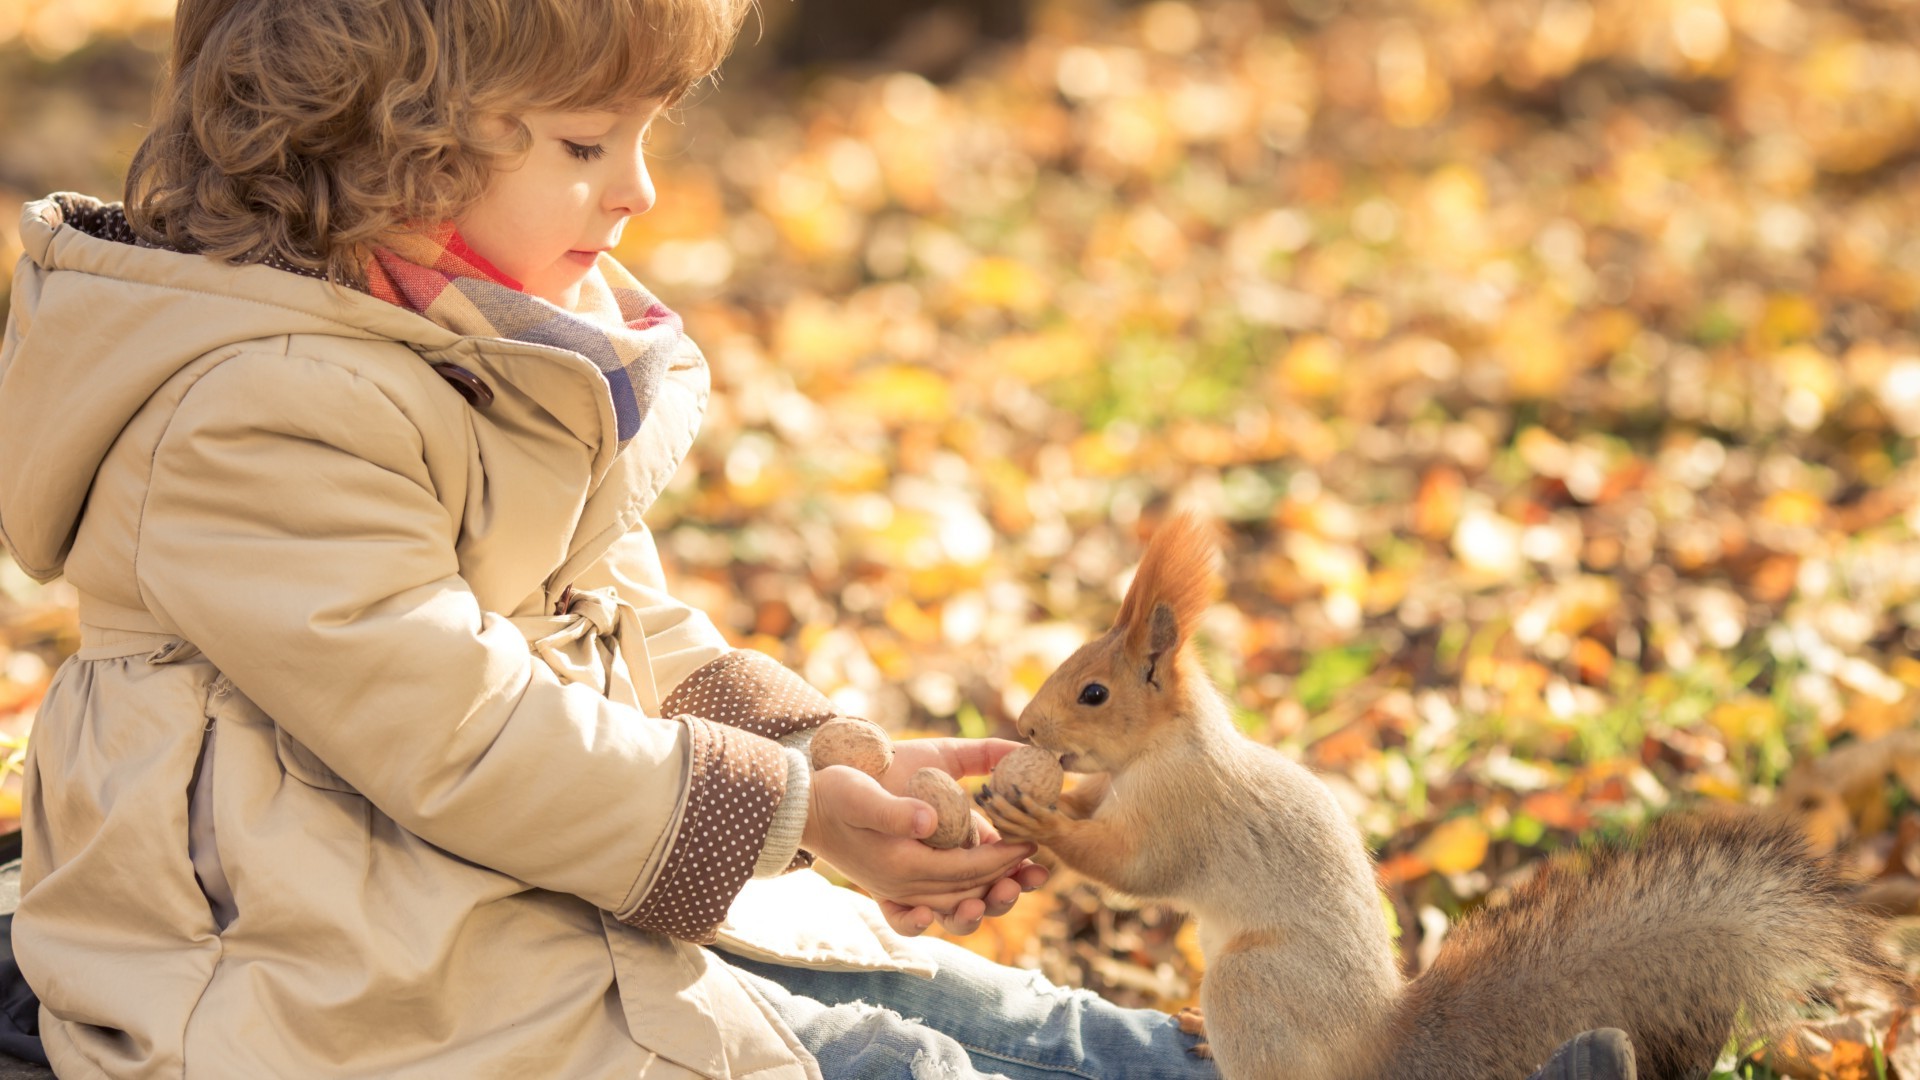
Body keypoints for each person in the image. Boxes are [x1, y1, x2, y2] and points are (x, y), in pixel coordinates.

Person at [0, 2, 1644, 1077]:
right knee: (883, 1069)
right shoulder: (259, 413)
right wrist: (794, 817)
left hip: (517, 903)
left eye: (647, 134)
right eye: (589, 145)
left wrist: (823, 748)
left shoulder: (469, 349)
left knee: (987, 1016)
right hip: (339, 982)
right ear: (388, 151)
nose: (639, 190)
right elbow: (462, 731)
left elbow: (620, 631)